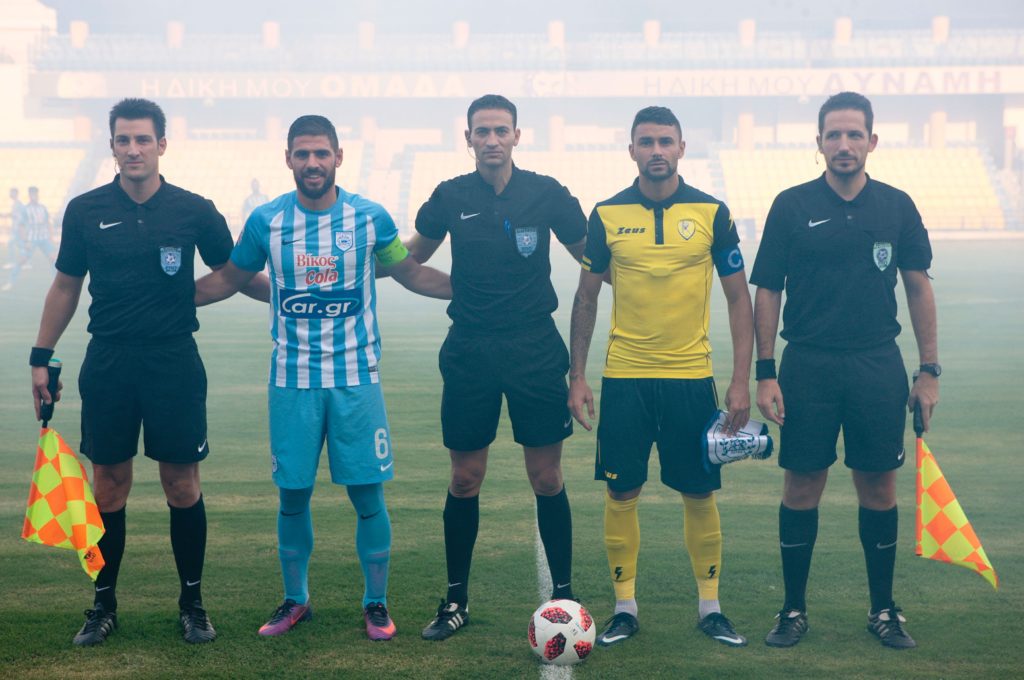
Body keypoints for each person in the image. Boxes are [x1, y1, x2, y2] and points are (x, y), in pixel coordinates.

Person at [194, 114, 452, 641]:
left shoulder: (370, 218)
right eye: (302, 154)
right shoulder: (266, 221)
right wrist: (164, 297)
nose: (312, 163)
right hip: (292, 380)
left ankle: (375, 604)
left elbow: (410, 272)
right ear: (288, 159)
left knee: (367, 496)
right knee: (292, 496)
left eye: (321, 153)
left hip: (357, 379)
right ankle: (296, 600)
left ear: (338, 157)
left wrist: (478, 290)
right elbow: (230, 278)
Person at [30, 98, 267, 646]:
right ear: (112, 146)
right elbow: (66, 285)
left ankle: (192, 605)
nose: (132, 149)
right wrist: (41, 356)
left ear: (162, 144)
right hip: (109, 361)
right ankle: (103, 605)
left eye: (142, 139)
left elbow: (232, 272)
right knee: (108, 486)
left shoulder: (194, 209)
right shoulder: (85, 210)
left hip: (172, 362)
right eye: (123, 140)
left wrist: (290, 296)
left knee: (181, 485)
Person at [750, 91, 939, 650]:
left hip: (877, 363)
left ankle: (883, 610)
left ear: (872, 141)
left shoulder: (897, 206)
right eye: (833, 134)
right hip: (807, 364)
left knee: (878, 485)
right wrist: (766, 371)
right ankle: (793, 610)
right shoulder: (791, 205)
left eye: (854, 134)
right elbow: (768, 290)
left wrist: (928, 371)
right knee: (802, 483)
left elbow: (918, 287)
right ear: (819, 143)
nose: (844, 144)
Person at [568, 105, 753, 649]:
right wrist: (577, 376)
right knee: (621, 490)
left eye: (665, 141)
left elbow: (738, 298)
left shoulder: (712, 212)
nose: (656, 151)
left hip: (691, 377)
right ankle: (624, 609)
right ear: (631, 150)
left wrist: (740, 381)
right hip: (625, 378)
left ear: (681, 148)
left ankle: (711, 608)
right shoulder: (606, 214)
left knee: (699, 492)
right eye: (646, 142)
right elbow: (585, 297)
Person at [408, 94, 587, 641]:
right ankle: (455, 600)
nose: (491, 140)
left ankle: (564, 597)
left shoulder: (547, 192)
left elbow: (593, 258)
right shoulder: (449, 196)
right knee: (465, 478)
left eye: (500, 130)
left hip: (535, 348)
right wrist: (462, 289)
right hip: (471, 350)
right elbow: (408, 264)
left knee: (546, 476)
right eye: (481, 131)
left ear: (516, 136)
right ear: (468, 138)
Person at [4, 186, 57, 291]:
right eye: (32, 194)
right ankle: (11, 282)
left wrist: (51, 238)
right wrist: (26, 241)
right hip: (31, 239)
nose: (34, 196)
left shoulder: (42, 208)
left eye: (36, 194)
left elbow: (48, 223)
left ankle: (57, 283)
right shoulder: (26, 209)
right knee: (22, 260)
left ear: (38, 195)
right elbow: (21, 226)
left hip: (44, 238)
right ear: (29, 195)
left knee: (53, 259)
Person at [4, 187, 26, 270]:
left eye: (11, 192)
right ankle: (23, 262)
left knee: (13, 244)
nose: (10, 194)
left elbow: (19, 216)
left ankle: (14, 262)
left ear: (15, 193)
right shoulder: (16, 204)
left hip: (18, 229)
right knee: (20, 246)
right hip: (16, 229)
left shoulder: (18, 204)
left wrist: (7, 215)